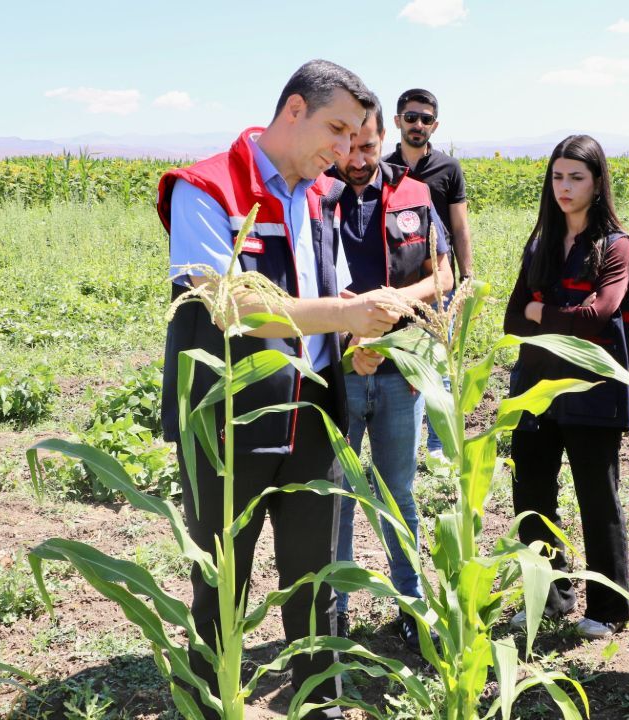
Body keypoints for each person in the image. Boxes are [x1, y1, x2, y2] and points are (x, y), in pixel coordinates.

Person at [156, 60, 402, 720]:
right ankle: (214, 706)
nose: (348, 150)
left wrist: (361, 330)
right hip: (228, 422)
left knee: (313, 580)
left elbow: (332, 287)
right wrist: (340, 316)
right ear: (293, 110)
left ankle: (318, 704)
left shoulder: (320, 197)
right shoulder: (206, 188)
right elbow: (226, 304)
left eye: (356, 136)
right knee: (222, 583)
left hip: (313, 420)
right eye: (338, 128)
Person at [503, 134, 629, 641]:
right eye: (558, 176)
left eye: (577, 177)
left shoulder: (617, 247)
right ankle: (549, 595)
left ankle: (608, 608)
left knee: (597, 498)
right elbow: (510, 320)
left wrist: (542, 311)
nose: (564, 187)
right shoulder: (542, 243)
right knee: (533, 496)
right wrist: (552, 316)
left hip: (593, 392)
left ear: (597, 182)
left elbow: (597, 317)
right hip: (534, 391)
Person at [328, 100, 453, 649]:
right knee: (338, 494)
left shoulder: (415, 195)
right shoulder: (315, 196)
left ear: (384, 139)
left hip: (403, 368)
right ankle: (336, 608)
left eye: (368, 147)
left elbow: (443, 273)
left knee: (397, 490)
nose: (357, 159)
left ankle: (411, 603)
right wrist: (352, 334)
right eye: (348, 147)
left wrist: (392, 303)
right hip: (341, 369)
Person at [382, 88, 472, 464]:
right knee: (399, 364)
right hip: (399, 281)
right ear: (398, 121)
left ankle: (439, 448)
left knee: (441, 363)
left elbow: (460, 227)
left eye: (426, 119)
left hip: (439, 281)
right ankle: (399, 446)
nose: (418, 124)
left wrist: (467, 276)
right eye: (411, 116)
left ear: (435, 125)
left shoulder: (448, 169)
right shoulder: (383, 168)